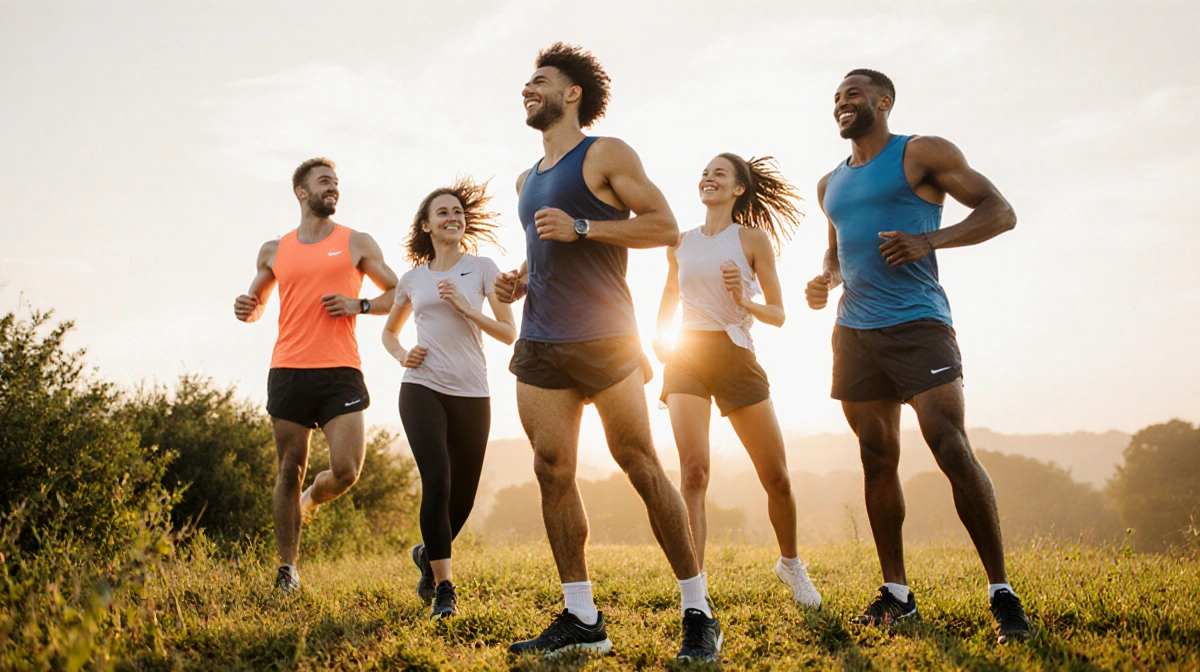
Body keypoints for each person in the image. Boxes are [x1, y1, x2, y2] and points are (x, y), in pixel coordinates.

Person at [495, 43, 721, 662]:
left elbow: (665, 226)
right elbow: (546, 251)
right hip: (541, 338)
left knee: (639, 461)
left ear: (571, 95)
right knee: (550, 469)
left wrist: (585, 227)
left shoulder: (606, 153)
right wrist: (517, 279)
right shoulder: (527, 179)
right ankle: (581, 615)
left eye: (538, 81)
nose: (527, 89)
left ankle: (698, 609)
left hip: (606, 336)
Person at [804, 69, 1032, 643]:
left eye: (853, 94)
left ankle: (1002, 594)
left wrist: (930, 240)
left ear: (883, 101)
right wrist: (824, 279)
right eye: (836, 97)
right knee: (877, 457)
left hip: (919, 324)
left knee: (950, 445)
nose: (842, 103)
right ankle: (897, 595)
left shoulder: (921, 153)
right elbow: (835, 253)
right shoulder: (828, 183)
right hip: (854, 332)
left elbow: (1000, 211)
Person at [652, 153, 821, 609]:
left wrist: (742, 298)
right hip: (687, 356)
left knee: (778, 478)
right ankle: (695, 590)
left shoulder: (751, 240)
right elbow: (671, 289)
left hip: (736, 357)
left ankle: (790, 564)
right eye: (704, 171)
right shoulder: (680, 242)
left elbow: (779, 314)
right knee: (694, 472)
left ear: (738, 189)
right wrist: (658, 334)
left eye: (719, 174)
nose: (708, 177)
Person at [233, 157, 398, 593]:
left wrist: (360, 305)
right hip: (288, 369)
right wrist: (247, 310)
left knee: (345, 471)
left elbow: (399, 293)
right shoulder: (274, 249)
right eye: (325, 182)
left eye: (337, 183)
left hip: (340, 370)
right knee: (289, 468)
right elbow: (258, 304)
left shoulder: (356, 242)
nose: (334, 189)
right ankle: (287, 568)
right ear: (301, 192)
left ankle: (311, 500)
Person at [382, 177, 515, 620]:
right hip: (421, 386)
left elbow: (508, 332)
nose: (453, 217)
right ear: (427, 226)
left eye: (458, 211)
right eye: (443, 212)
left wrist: (466, 307)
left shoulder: (483, 269)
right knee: (437, 481)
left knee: (463, 498)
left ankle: (427, 554)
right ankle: (444, 589)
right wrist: (403, 354)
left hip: (473, 392)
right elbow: (389, 331)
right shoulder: (412, 279)